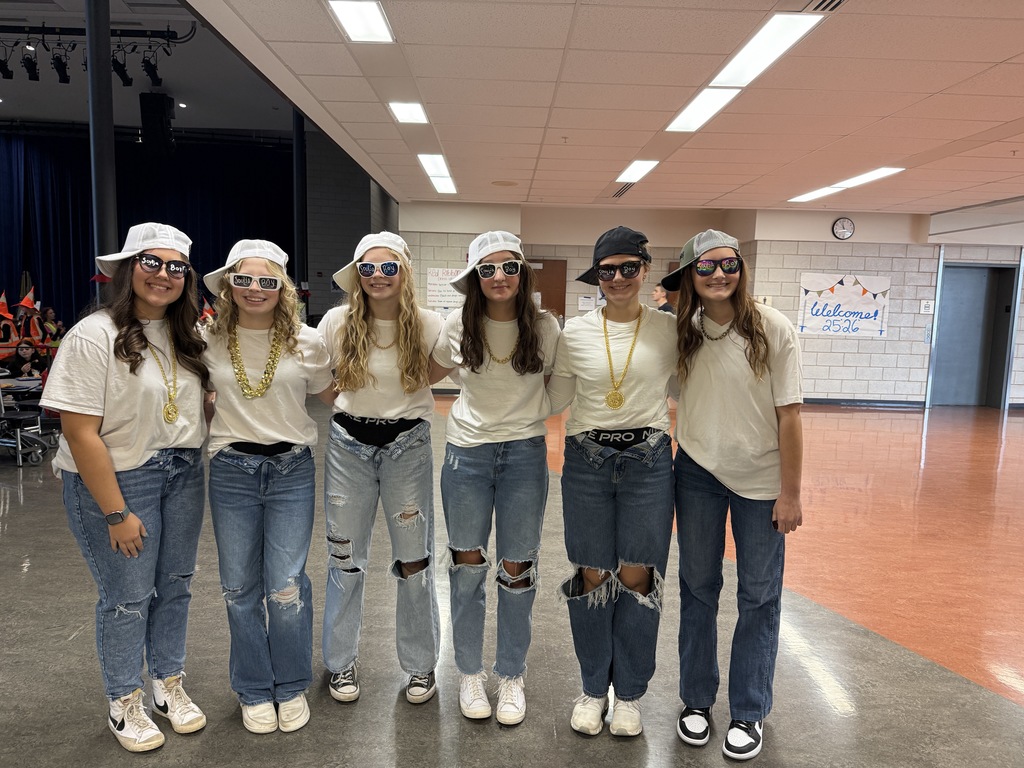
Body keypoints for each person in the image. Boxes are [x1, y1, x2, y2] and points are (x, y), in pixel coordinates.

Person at [38, 223, 209, 753]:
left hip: (183, 472)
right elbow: (78, 429)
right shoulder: (92, 335)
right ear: (128, 268)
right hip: (120, 477)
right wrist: (115, 512)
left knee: (176, 584)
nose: (163, 275)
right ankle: (124, 699)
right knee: (128, 596)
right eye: (152, 263)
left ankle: (167, 682)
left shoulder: (189, 337)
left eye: (175, 267)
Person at [661, 229, 803, 762]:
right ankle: (696, 701)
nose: (719, 275)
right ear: (689, 277)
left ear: (741, 268)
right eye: (705, 267)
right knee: (698, 587)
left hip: (762, 482)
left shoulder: (773, 329)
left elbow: (790, 417)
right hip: (696, 472)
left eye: (728, 264)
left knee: (759, 595)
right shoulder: (683, 333)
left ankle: (748, 710)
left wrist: (790, 493)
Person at [547, 226, 678, 737]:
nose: (618, 278)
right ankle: (592, 688)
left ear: (645, 271)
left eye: (628, 268)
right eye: (608, 270)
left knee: (638, 577)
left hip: (649, 461)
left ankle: (629, 694)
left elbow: (699, 385)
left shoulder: (668, 330)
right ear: (596, 276)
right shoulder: (575, 333)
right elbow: (553, 398)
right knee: (593, 575)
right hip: (586, 462)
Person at [202, 240, 333, 734]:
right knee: (238, 588)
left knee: (284, 585)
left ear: (283, 288)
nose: (255, 289)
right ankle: (254, 688)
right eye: (245, 279)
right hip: (232, 469)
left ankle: (292, 683)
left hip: (291, 469)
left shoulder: (307, 340)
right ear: (228, 285)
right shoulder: (207, 339)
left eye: (267, 281)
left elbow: (334, 393)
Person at [429, 231, 560, 725]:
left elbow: (557, 381)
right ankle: (468, 672)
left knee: (517, 568)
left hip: (525, 456)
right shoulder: (456, 327)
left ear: (522, 273)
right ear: (474, 279)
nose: (499, 277)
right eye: (487, 269)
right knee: (467, 567)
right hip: (467, 456)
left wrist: (533, 415)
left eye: (508, 267)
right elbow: (424, 374)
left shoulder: (545, 328)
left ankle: (511, 675)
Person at [318, 232, 442, 707]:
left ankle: (420, 666)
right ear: (356, 275)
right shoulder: (337, 322)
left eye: (388, 268)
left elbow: (439, 369)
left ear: (404, 273)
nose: (376, 277)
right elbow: (319, 377)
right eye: (367, 268)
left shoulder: (429, 324)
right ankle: (340, 661)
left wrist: (401, 398)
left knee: (415, 560)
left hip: (407, 444)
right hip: (349, 444)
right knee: (345, 558)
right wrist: (346, 403)